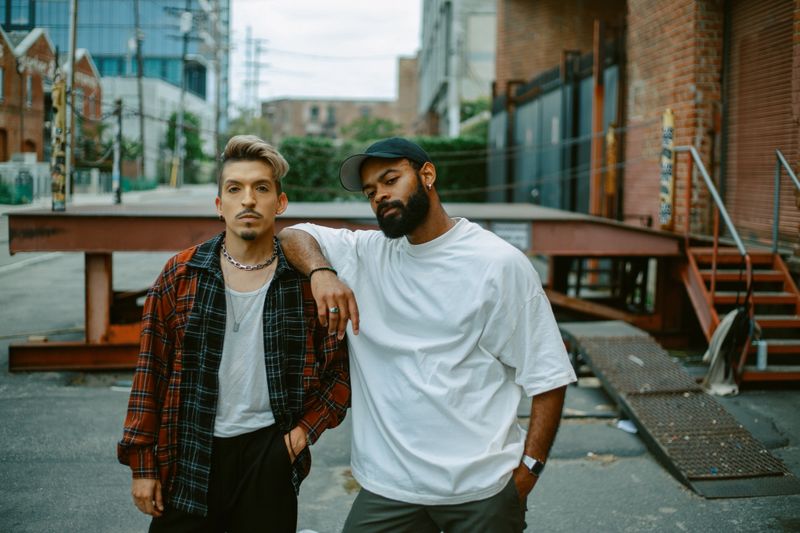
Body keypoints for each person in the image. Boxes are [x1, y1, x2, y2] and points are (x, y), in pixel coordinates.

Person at [278, 137, 577, 532]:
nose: (381, 196)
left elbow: (549, 376)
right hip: (388, 489)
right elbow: (292, 234)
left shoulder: (498, 264)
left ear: (427, 175)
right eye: (371, 191)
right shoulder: (366, 254)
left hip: (481, 492)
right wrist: (321, 272)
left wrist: (527, 474)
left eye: (390, 180)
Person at [117, 135, 350, 532]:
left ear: (280, 203)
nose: (248, 200)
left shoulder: (303, 283)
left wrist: (298, 437)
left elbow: (340, 373)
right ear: (219, 205)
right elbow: (149, 374)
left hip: (269, 453)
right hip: (189, 449)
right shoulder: (181, 275)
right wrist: (142, 465)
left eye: (261, 188)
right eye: (234, 189)